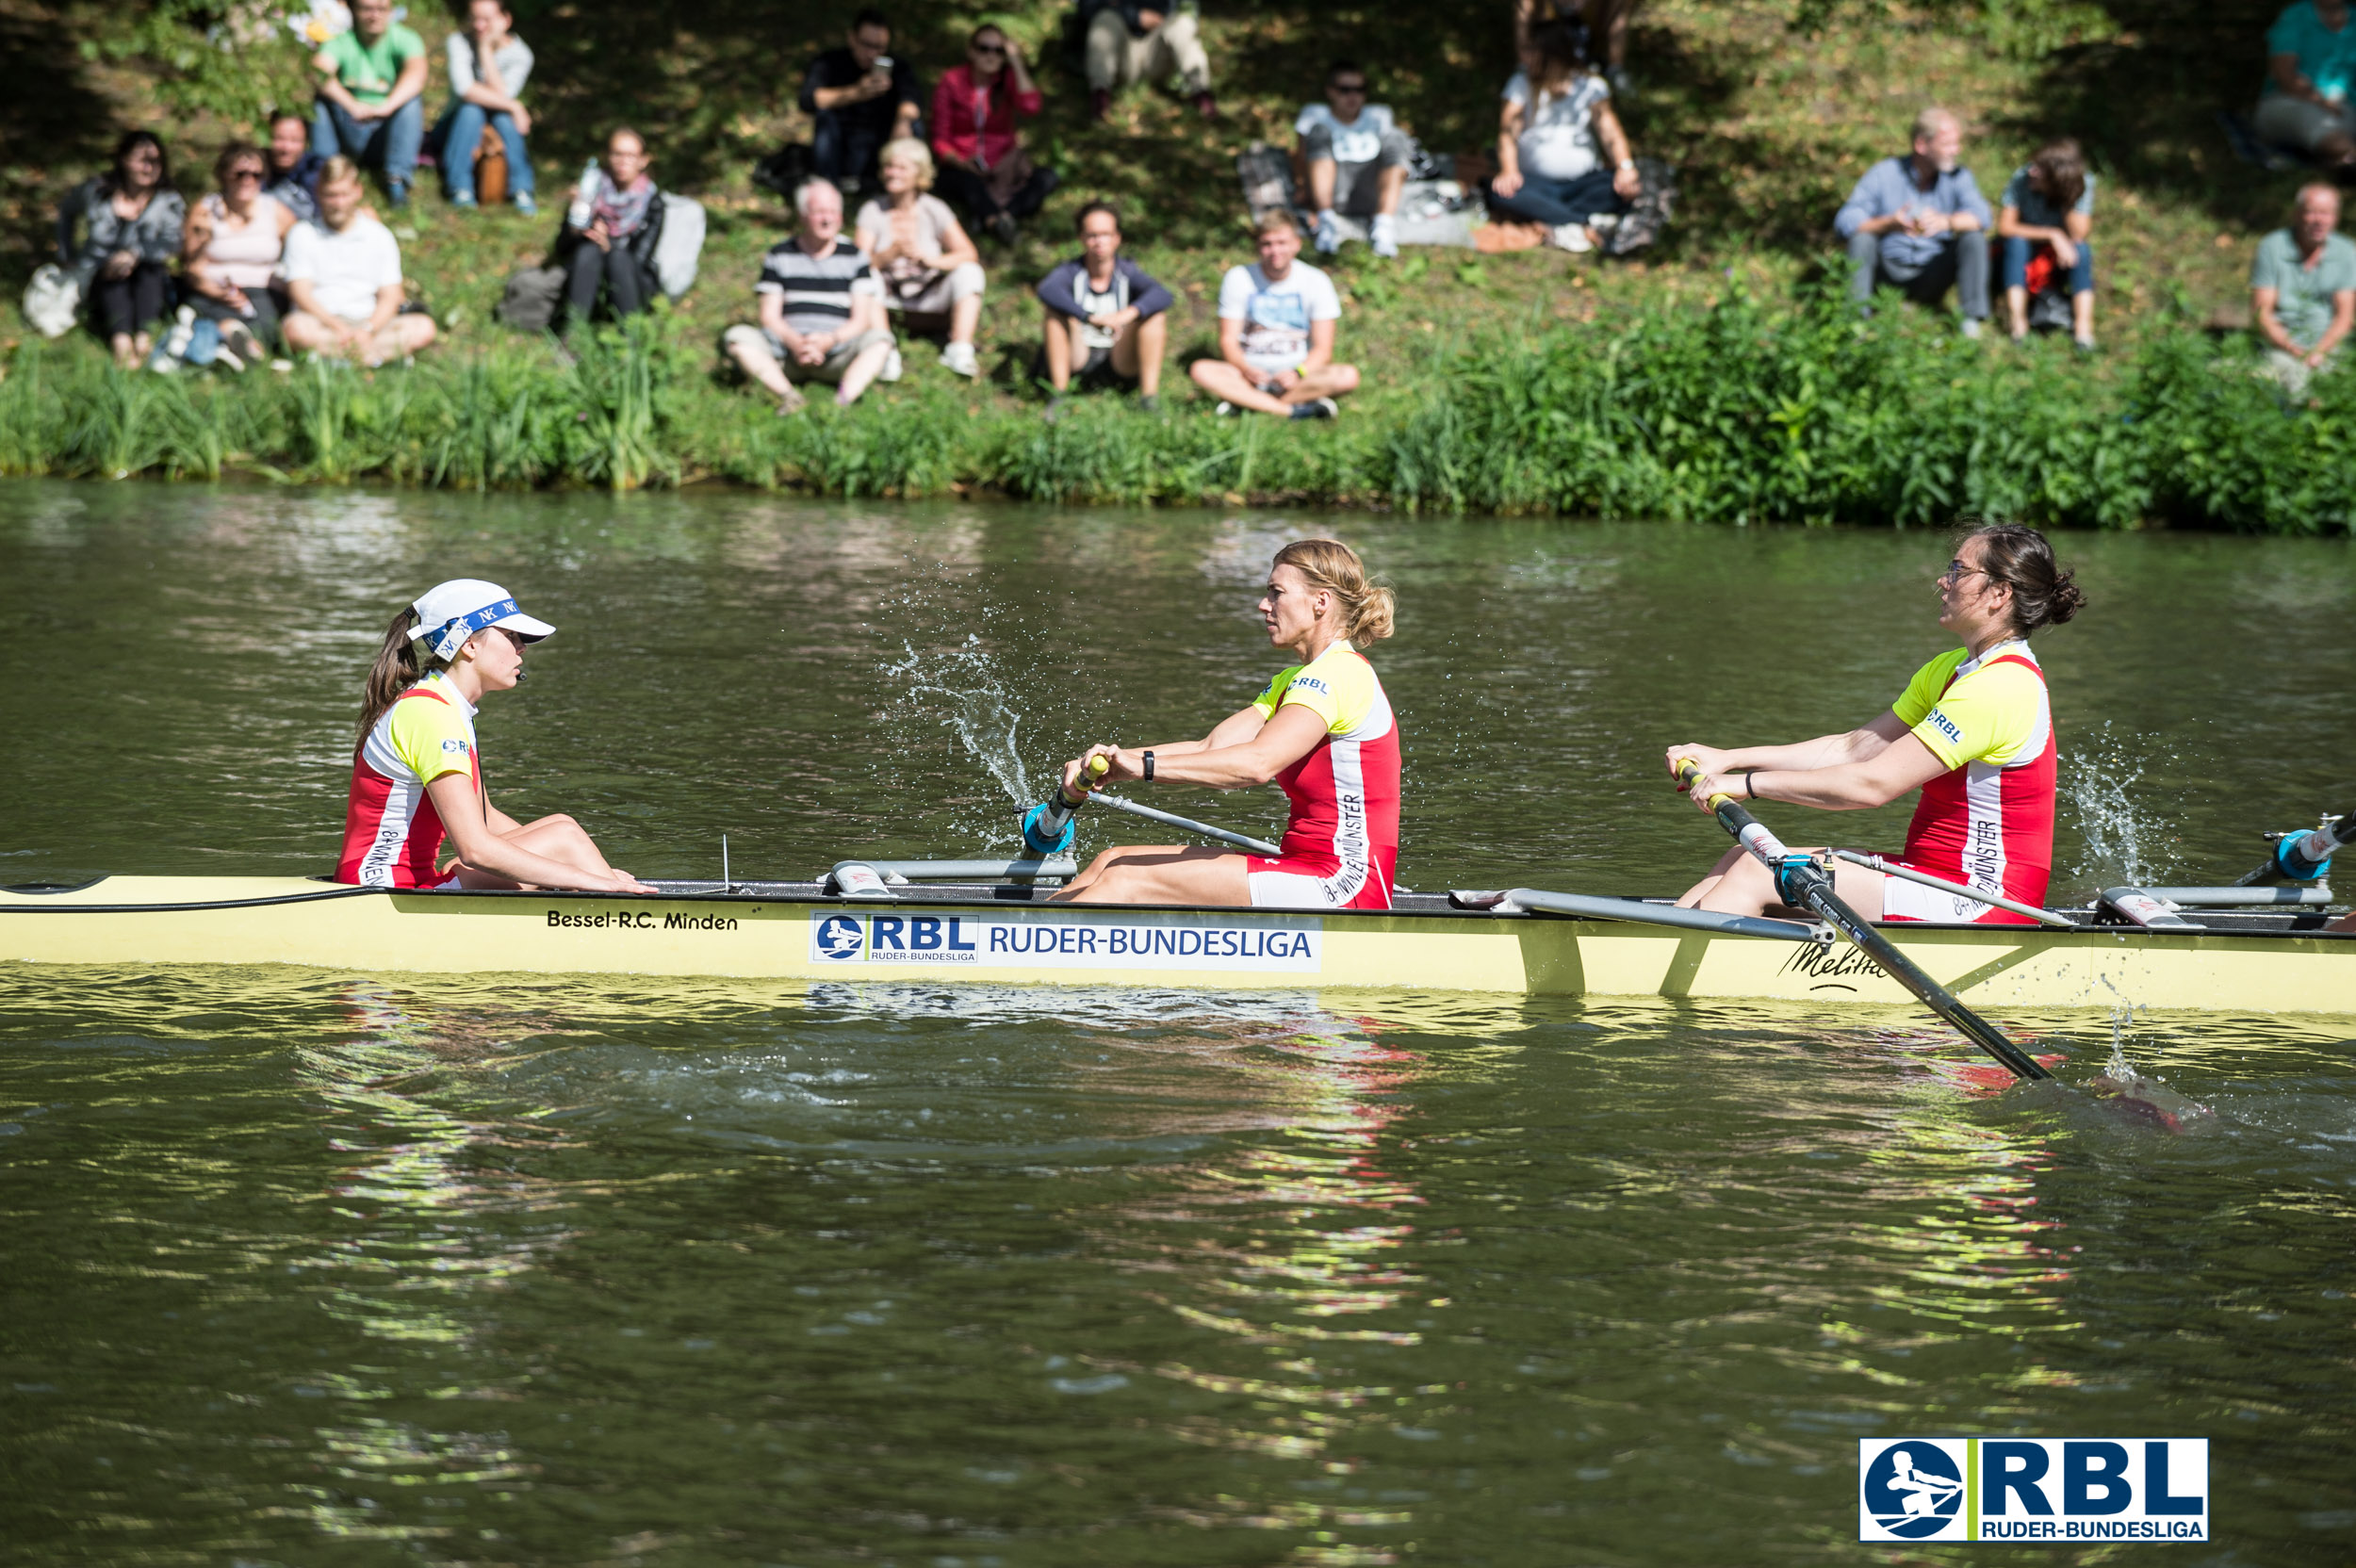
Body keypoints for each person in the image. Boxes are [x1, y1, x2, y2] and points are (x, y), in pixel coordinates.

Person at [1664, 524, 2086, 923]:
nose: (1943, 581)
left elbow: (1872, 785)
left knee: (1757, 873)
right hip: (1930, 877)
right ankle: (1655, 948)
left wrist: (1749, 785)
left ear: (1999, 592)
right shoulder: (1951, 669)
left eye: (1958, 571)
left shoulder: (2000, 687)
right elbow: (1853, 748)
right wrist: (1727, 759)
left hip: (1983, 898)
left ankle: (1663, 978)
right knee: (1746, 859)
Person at [1049, 539, 1399, 909]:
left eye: (1276, 593)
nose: (1263, 605)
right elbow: (1211, 748)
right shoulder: (1295, 679)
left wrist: (1144, 768)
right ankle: (1018, 937)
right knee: (1114, 860)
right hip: (1302, 867)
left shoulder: (1340, 674)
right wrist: (1116, 760)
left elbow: (1256, 764)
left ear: (1321, 602)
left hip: (1345, 882)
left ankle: (1020, 955)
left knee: (1126, 879)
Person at [336, 579, 655, 895]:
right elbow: (476, 850)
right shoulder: (430, 714)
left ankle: (613, 905)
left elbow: (485, 822)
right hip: (380, 889)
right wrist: (590, 878)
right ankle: (626, 917)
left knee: (563, 827)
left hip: (416, 881)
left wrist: (577, 868)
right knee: (564, 840)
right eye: (511, 636)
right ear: (469, 644)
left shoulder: (444, 704)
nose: (522, 648)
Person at [723, 177, 897, 413]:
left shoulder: (855, 257)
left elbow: (861, 319)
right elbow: (769, 316)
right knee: (738, 337)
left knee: (881, 340)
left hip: (837, 354)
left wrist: (829, 341)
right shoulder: (779, 255)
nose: (827, 219)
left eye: (833, 212)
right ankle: (789, 396)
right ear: (803, 215)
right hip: (786, 353)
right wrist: (796, 343)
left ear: (841, 216)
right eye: (819, 212)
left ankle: (841, 403)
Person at [1835, 106, 1992, 336]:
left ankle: (1970, 324)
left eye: (1956, 144)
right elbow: (1845, 221)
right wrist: (1889, 223)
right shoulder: (1884, 174)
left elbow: (1983, 216)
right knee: (1862, 240)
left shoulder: (1959, 176)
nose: (1956, 151)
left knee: (1974, 238)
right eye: (1948, 145)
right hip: (1887, 270)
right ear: (1922, 145)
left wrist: (1947, 222)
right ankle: (1856, 322)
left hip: (1933, 272)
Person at [1487, 19, 1641, 253]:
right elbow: (1507, 132)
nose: (1524, 57)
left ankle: (1558, 218)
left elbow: (1610, 130)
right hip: (1533, 182)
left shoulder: (1591, 86)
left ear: (1551, 53)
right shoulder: (1520, 84)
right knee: (1500, 193)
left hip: (1583, 183)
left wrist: (1625, 166)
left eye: (1530, 50)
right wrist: (1509, 170)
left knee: (1620, 188)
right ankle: (1584, 222)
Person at [1189, 210, 1357, 418]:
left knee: (1347, 376)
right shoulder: (1238, 278)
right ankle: (1293, 410)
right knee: (1201, 370)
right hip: (1248, 371)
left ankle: (1246, 402)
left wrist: (1298, 372)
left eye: (1282, 243)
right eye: (1267, 244)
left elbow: (1323, 349)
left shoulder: (1316, 280)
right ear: (1258, 247)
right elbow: (1227, 340)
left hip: (1297, 370)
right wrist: (1245, 368)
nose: (1274, 250)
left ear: (1297, 244)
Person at [280, 156, 437, 364]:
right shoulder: (302, 233)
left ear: (357, 191)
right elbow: (300, 293)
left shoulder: (379, 235)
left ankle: (337, 358)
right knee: (294, 328)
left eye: (343, 194)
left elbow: (391, 295)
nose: (338, 203)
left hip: (370, 322)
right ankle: (377, 357)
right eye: (331, 195)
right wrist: (338, 327)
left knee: (423, 327)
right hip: (322, 322)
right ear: (318, 193)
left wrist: (367, 330)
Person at [855, 139, 986, 378]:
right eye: (889, 166)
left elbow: (968, 253)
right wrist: (887, 256)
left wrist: (931, 261)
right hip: (888, 301)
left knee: (970, 271)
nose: (893, 173)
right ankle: (884, 350)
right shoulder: (872, 211)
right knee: (867, 276)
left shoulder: (935, 209)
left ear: (920, 173)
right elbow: (854, 267)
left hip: (930, 297)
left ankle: (960, 349)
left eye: (901, 167)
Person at [54, 130, 185, 368]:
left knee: (150, 272)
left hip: (148, 282)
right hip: (100, 279)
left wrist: (135, 255)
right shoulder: (96, 192)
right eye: (142, 160)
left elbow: (173, 243)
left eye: (155, 162)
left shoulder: (169, 200)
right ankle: (122, 345)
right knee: (113, 275)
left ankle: (144, 339)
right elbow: (66, 211)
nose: (148, 168)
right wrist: (66, 255)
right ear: (124, 160)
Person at [929, 24, 1056, 246]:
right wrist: (957, 160)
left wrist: (1016, 62)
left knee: (1046, 177)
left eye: (999, 51)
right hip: (963, 166)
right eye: (984, 48)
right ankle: (996, 219)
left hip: (1002, 168)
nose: (991, 55)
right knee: (967, 182)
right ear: (971, 51)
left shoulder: (1007, 81)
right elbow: (940, 137)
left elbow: (1031, 106)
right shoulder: (952, 81)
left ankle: (999, 217)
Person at [1037, 201, 1170, 406]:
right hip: (1078, 355)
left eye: (1106, 234)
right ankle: (1059, 396)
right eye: (1092, 235)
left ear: (1117, 238)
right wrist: (1088, 318)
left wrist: (1124, 316)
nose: (1100, 241)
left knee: (1155, 317)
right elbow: (1047, 290)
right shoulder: (1071, 271)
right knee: (1054, 314)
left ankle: (1149, 398)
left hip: (1119, 358)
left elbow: (1162, 294)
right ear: (1082, 238)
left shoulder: (1127, 272)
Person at [180, 142, 298, 368]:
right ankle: (244, 351)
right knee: (209, 310)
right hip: (214, 292)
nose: (248, 180)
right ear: (224, 174)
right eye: (240, 173)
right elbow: (191, 268)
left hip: (263, 291)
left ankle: (232, 348)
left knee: (268, 322)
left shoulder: (276, 211)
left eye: (256, 174)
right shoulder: (205, 210)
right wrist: (217, 292)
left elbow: (300, 248)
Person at [308, 0, 429, 204]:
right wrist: (351, 105)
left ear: (391, 11)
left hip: (387, 126)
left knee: (411, 103)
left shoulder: (405, 38)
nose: (374, 15)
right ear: (354, 10)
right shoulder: (341, 41)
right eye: (367, 9)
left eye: (381, 9)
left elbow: (417, 74)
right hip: (349, 123)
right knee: (320, 103)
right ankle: (323, 171)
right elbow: (318, 73)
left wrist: (387, 106)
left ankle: (396, 178)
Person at [1295, 60, 1413, 260]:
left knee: (1397, 136)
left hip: (1371, 189)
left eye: (1359, 89)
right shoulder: (1314, 115)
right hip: (1332, 189)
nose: (1353, 96)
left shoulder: (1380, 114)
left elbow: (1393, 158)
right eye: (1345, 89)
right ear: (1330, 91)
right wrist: (1303, 190)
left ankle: (1383, 226)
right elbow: (1301, 156)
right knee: (1319, 133)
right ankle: (1327, 223)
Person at [800, 8, 924, 195]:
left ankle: (901, 191)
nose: (872, 53)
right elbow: (808, 100)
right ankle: (828, 189)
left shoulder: (898, 67)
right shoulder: (830, 62)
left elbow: (912, 99)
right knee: (824, 118)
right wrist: (856, 92)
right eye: (867, 45)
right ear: (852, 38)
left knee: (914, 124)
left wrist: (903, 121)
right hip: (841, 146)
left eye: (880, 47)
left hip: (880, 146)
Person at [2253, 182, 2356, 397]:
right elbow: (2262, 314)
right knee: (2298, 383)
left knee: (2339, 387)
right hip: (2282, 345)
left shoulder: (2346, 252)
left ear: (2335, 218)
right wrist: (2296, 350)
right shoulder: (2271, 247)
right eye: (2312, 212)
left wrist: (2319, 351)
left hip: (2328, 346)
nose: (2319, 220)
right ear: (2297, 214)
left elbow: (2345, 317)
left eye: (2326, 213)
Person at [434, 0, 537, 214]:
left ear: (505, 20)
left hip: (499, 124)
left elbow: (503, 95)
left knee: (501, 115)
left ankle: (521, 190)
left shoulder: (521, 55)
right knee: (471, 109)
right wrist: (516, 107)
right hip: (455, 124)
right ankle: (460, 188)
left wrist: (485, 50)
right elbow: (465, 90)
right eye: (474, 18)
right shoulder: (458, 42)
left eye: (487, 20)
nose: (479, 26)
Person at [1996, 138, 2096, 351]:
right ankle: (2018, 324)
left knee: (2082, 251)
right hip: (2026, 253)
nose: (2032, 171)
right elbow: (2005, 227)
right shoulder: (2022, 178)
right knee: (2016, 243)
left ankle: (2083, 330)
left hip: (2060, 260)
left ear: (2056, 178)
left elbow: (2079, 234)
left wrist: (2066, 198)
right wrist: (2052, 234)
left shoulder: (2082, 183)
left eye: (2040, 170)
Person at [560, 128, 663, 326]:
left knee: (617, 257)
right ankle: (574, 335)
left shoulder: (652, 202)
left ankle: (629, 337)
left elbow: (639, 259)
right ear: (608, 156)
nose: (623, 161)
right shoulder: (590, 192)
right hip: (588, 277)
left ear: (643, 160)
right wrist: (575, 220)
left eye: (631, 155)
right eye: (617, 154)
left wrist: (608, 246)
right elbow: (562, 248)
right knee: (587, 251)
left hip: (631, 281)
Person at [2254, 0, 2356, 171]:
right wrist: (2322, 102)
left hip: (2344, 106)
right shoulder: (2296, 15)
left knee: (2336, 133)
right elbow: (2285, 75)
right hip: (2288, 101)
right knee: (2332, 136)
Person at [1083, 0, 1216, 122]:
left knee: (1181, 22)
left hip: (1154, 51)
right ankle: (1100, 99)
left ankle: (1202, 96)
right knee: (1105, 19)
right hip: (1121, 53)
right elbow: (1088, 7)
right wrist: (1135, 16)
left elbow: (1167, 11)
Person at [264, 110, 326, 222]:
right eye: (279, 138)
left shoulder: (318, 170)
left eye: (295, 140)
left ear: (306, 143)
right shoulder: (253, 171)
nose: (286, 148)